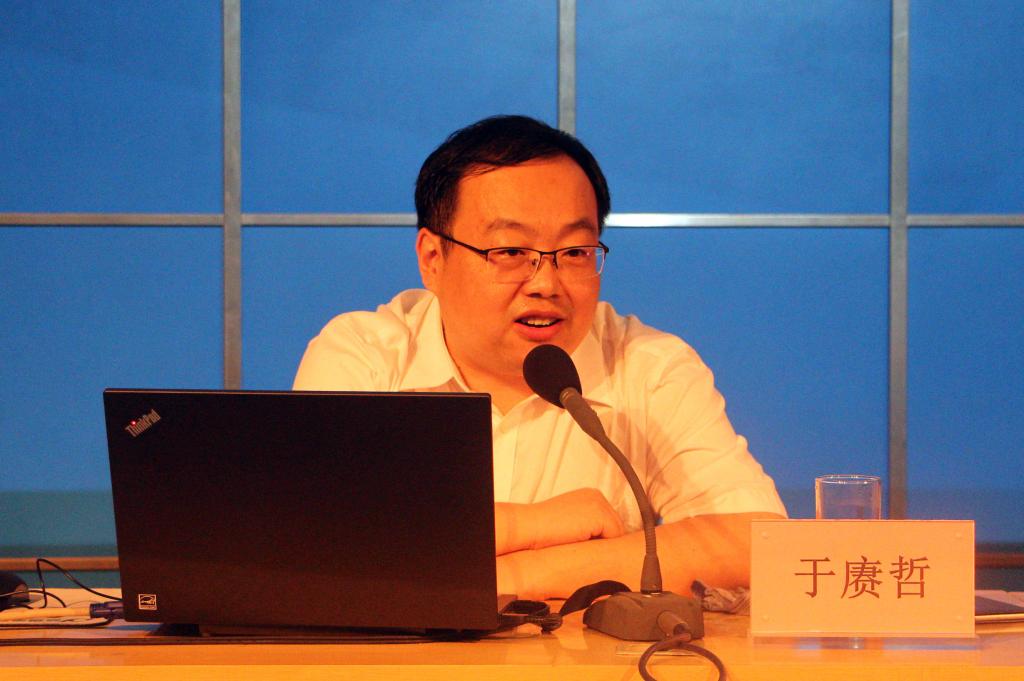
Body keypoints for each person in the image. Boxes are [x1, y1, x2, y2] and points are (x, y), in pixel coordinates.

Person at [294, 115, 786, 600]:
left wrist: (512, 577)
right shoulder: (364, 357)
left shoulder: (649, 366)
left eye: (574, 252)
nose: (546, 284)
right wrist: (541, 523)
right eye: (510, 251)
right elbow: (313, 542)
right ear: (432, 259)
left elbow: (757, 544)